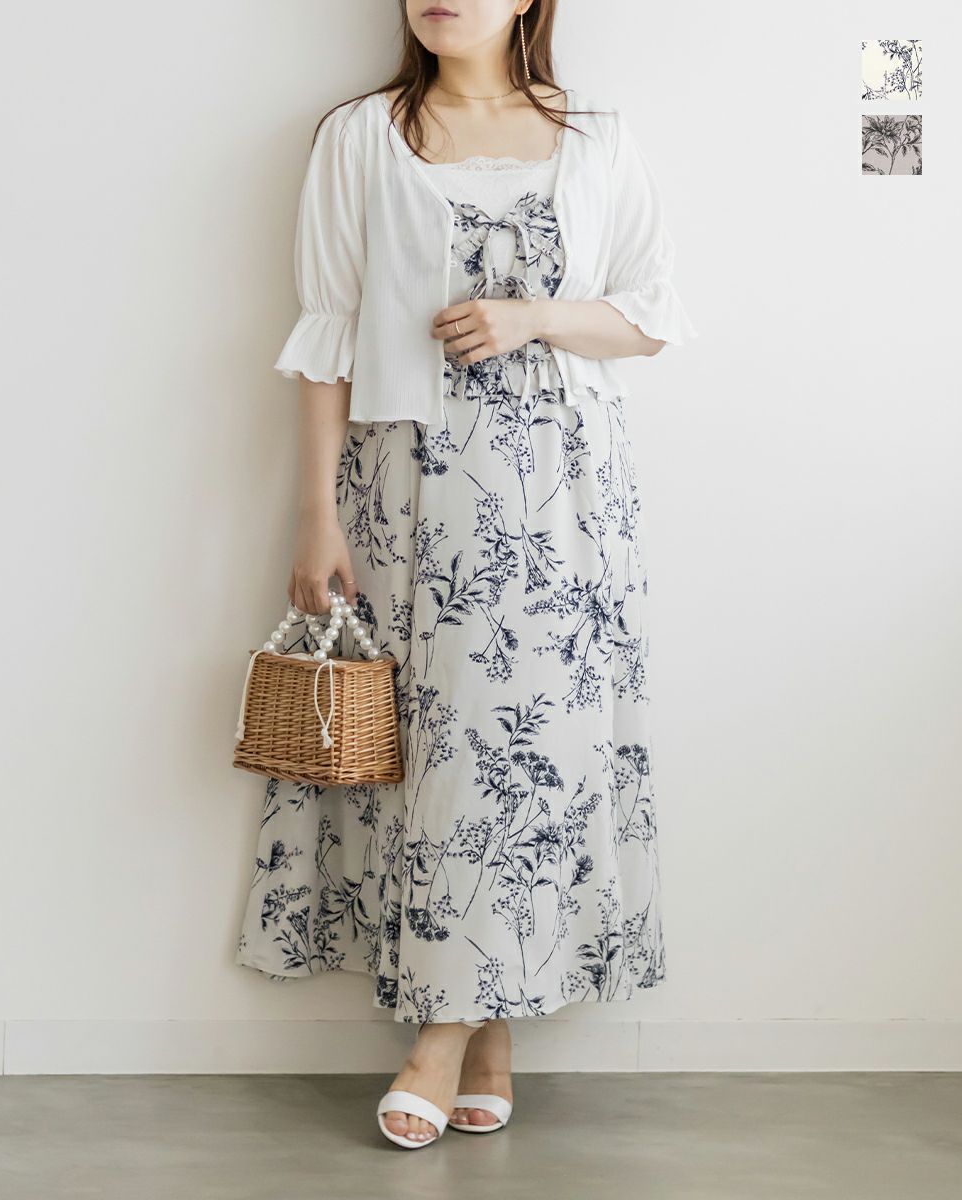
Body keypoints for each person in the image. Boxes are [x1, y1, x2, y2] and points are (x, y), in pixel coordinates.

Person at [234, 0, 697, 1150]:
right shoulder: (360, 135)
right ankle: (489, 1037)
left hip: (564, 502)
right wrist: (315, 515)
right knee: (439, 759)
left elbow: (649, 317)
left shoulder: (596, 135)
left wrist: (530, 317)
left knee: (524, 758)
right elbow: (327, 333)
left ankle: (439, 1040)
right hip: (411, 491)